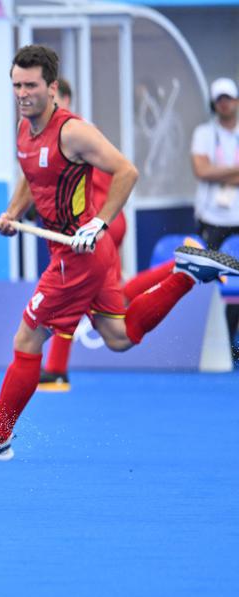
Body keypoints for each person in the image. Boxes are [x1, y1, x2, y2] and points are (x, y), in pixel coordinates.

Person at [0, 45, 239, 461]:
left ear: (52, 88)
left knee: (27, 338)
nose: (23, 93)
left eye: (31, 85)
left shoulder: (72, 131)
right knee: (118, 338)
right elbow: (33, 177)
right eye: (16, 85)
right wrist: (12, 213)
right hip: (69, 248)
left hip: (76, 254)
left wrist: (98, 222)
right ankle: (186, 274)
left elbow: (126, 171)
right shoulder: (23, 128)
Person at [38, 78, 208, 391]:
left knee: (72, 298)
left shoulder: (68, 132)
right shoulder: (70, 132)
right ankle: (179, 267)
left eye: (50, 95)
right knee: (118, 294)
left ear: (63, 97)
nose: (38, 101)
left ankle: (57, 369)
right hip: (110, 221)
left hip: (95, 223)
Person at [191, 77, 239, 251]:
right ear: (213, 104)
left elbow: (208, 170)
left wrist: (217, 173)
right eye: (219, 99)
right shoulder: (203, 132)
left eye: (228, 98)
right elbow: (201, 170)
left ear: (237, 100)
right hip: (211, 219)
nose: (224, 103)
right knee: (212, 275)